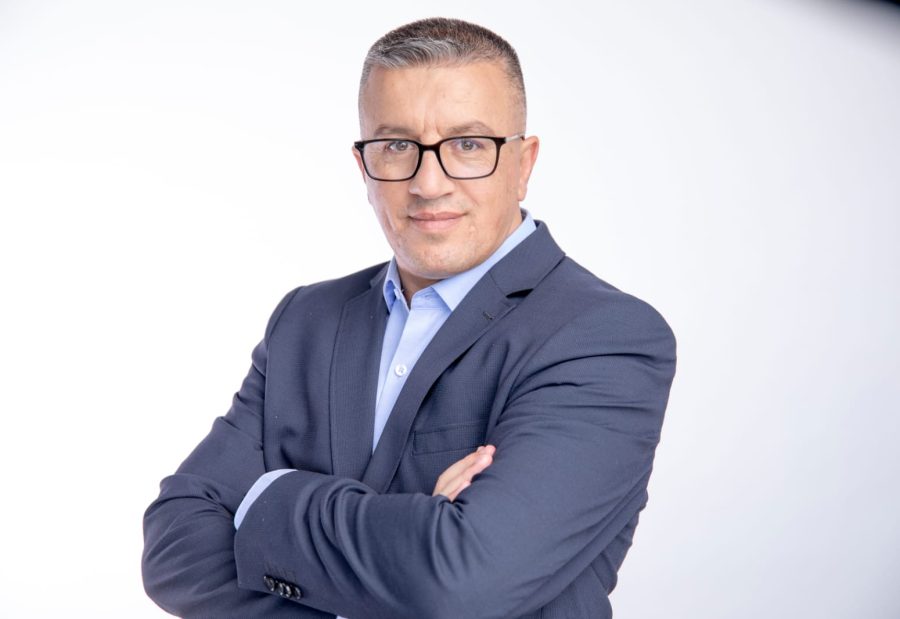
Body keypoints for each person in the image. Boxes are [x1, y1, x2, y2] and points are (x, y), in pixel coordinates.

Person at [142, 16, 677, 619]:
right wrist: (417, 536)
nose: (429, 182)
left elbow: (465, 582)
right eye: (397, 146)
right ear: (362, 164)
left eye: (468, 145)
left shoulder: (603, 335)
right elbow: (174, 552)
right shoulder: (305, 322)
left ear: (523, 163)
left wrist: (270, 498)